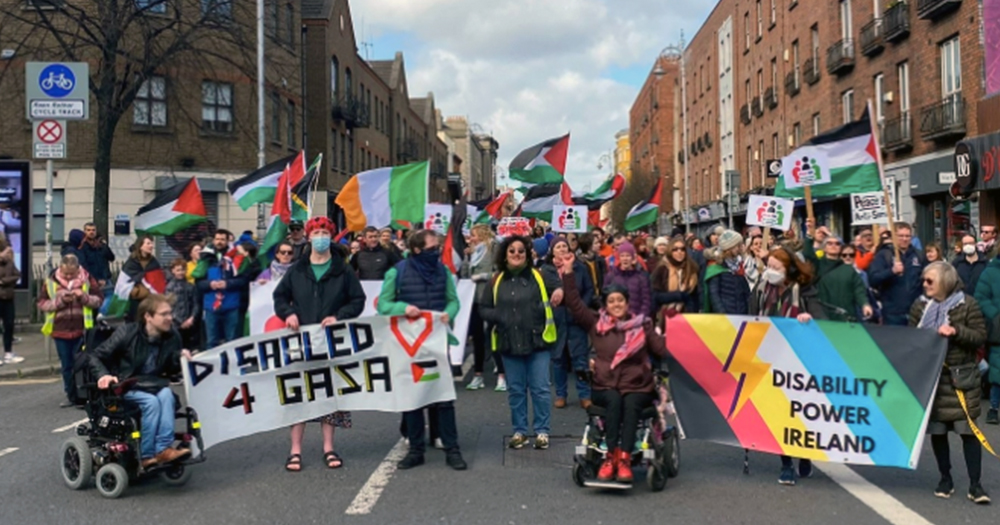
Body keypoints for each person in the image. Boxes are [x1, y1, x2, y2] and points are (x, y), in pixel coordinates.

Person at [559, 251, 666, 483]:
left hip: (637, 385)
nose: (616, 304)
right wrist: (568, 273)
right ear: (606, 306)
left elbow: (662, 349)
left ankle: (624, 459)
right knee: (614, 401)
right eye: (612, 301)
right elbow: (574, 303)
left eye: (620, 300)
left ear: (627, 303)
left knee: (629, 403)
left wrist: (681, 333)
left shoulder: (643, 325)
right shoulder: (596, 324)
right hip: (605, 383)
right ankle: (609, 458)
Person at [273, 216, 366, 471]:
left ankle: (329, 447)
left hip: (330, 341)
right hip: (302, 341)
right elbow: (279, 296)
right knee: (300, 393)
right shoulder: (298, 269)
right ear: (309, 236)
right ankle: (295, 450)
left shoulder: (342, 269)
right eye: (316, 232)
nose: (320, 237)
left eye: (325, 232)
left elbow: (357, 300)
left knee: (329, 394)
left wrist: (339, 317)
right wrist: (288, 314)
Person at [377, 229, 467, 470]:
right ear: (416, 249)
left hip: (437, 342)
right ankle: (416, 449)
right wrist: (403, 308)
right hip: (409, 345)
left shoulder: (443, 271)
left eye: (437, 247)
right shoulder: (398, 272)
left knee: (444, 397)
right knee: (413, 397)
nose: (436, 252)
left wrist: (450, 312)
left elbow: (453, 300)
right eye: (431, 248)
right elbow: (383, 304)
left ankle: (452, 448)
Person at [910, 262, 990, 504]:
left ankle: (976, 484)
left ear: (945, 281)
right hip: (932, 379)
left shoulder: (967, 304)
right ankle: (945, 478)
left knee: (968, 433)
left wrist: (956, 330)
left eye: (930, 281)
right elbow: (911, 338)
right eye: (924, 280)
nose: (924, 285)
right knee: (938, 432)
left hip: (960, 379)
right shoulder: (919, 306)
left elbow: (979, 335)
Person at [478, 235, 563, 451]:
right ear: (505, 256)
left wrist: (560, 289)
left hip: (537, 342)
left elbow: (559, 284)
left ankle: (542, 431)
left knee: (540, 389)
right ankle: (520, 431)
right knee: (516, 390)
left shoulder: (540, 275)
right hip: (509, 344)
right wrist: (500, 316)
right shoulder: (496, 281)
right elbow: (484, 308)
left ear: (527, 255)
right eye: (512, 251)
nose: (517, 254)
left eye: (521, 251)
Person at [89, 295, 193, 468]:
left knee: (167, 395)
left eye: (170, 313)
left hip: (153, 384)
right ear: (148, 317)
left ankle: (163, 450)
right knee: (151, 402)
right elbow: (95, 356)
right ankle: (146, 455)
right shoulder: (127, 333)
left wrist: (180, 357)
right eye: (164, 314)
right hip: (126, 384)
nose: (170, 318)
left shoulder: (172, 335)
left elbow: (171, 368)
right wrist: (103, 375)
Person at [750, 246, 824, 485]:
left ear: (789, 269)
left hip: (799, 361)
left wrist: (808, 317)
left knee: (798, 413)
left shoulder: (804, 290)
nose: (770, 271)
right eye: (768, 266)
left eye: (776, 267)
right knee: (779, 412)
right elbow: (748, 318)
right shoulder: (762, 289)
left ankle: (804, 454)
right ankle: (786, 464)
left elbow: (820, 318)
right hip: (771, 358)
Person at [37, 254, 103, 407]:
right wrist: (60, 301)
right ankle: (71, 396)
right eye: (65, 273)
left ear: (77, 269)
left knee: (81, 364)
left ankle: (84, 395)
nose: (68, 276)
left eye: (71, 274)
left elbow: (98, 299)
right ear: (60, 267)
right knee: (66, 365)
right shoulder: (51, 282)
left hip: (82, 329)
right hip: (60, 330)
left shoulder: (87, 279)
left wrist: (83, 298)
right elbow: (42, 303)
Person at [542, 238, 594, 409]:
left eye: (565, 245)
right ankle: (561, 394)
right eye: (558, 246)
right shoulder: (547, 270)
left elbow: (589, 289)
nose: (563, 248)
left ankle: (585, 395)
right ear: (552, 251)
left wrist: (582, 307)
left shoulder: (580, 267)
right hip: (557, 320)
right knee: (558, 360)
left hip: (576, 319)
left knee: (580, 360)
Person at [804, 220, 872, 322]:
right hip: (823, 316)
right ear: (824, 248)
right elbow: (808, 254)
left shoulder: (849, 269)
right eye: (829, 243)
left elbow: (858, 290)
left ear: (841, 248)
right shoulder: (817, 265)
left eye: (837, 244)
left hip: (845, 316)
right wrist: (809, 234)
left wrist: (865, 304)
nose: (833, 245)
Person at [464, 225, 505, 392]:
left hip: (490, 298)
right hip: (474, 299)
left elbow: (499, 272)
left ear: (481, 235)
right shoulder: (473, 252)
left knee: (494, 336)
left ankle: (502, 375)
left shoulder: (493, 248)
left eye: (473, 235)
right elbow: (466, 274)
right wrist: (466, 261)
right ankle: (478, 375)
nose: (471, 239)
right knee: (477, 337)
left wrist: (483, 277)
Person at [192, 230, 246, 348]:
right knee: (211, 341)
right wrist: (210, 284)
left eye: (222, 239)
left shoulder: (236, 258)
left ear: (227, 241)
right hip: (211, 307)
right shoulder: (206, 258)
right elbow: (198, 283)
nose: (219, 242)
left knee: (232, 341)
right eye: (217, 239)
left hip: (231, 306)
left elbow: (243, 280)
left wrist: (227, 284)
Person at [869, 223, 926, 326]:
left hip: (915, 312)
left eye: (907, 236)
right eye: (901, 236)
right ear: (894, 236)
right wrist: (891, 271)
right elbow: (873, 279)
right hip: (892, 313)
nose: (904, 239)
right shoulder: (884, 254)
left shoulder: (919, 255)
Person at [973, 256, 1000, 426]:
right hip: (998, 327)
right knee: (997, 370)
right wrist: (996, 316)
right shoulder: (990, 273)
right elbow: (981, 297)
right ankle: (994, 408)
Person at [651, 235, 700, 321]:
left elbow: (695, 296)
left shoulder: (692, 269)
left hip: (688, 317)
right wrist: (678, 295)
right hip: (666, 316)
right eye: (675, 249)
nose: (679, 252)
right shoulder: (662, 269)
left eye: (682, 249)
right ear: (670, 251)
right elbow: (655, 296)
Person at [704, 230, 751, 315]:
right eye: (738, 245)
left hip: (741, 315)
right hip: (725, 317)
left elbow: (746, 293)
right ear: (729, 247)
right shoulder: (716, 267)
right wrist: (722, 314)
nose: (740, 248)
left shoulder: (739, 266)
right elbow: (714, 295)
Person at [604, 243, 651, 317]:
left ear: (632, 258)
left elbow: (646, 301)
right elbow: (605, 298)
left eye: (628, 255)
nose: (625, 258)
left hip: (636, 319)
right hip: (616, 319)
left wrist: (641, 317)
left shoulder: (641, 277)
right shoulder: (611, 276)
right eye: (622, 256)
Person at [122, 235, 161, 322]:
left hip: (150, 299)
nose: (151, 246)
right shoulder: (132, 262)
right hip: (135, 300)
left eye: (151, 243)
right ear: (140, 246)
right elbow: (125, 280)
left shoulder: (153, 262)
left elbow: (158, 279)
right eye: (148, 243)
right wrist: (141, 277)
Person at [166, 258, 200, 351]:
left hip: (190, 323)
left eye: (183, 270)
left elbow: (196, 304)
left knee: (190, 348)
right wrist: (179, 322)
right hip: (175, 324)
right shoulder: (169, 287)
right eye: (178, 270)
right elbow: (168, 306)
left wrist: (191, 318)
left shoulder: (191, 286)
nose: (181, 272)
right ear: (173, 271)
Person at [0, 236, 21, 365]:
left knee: (9, 325)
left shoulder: (9, 263)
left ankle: (8, 353)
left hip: (8, 297)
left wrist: (3, 281)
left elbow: (17, 275)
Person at [578, 233, 608, 309]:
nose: (599, 245)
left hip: (601, 299)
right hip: (586, 302)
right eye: (596, 243)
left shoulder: (600, 261)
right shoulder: (579, 263)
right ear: (588, 246)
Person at [80, 222, 115, 287]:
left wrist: (105, 247)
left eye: (93, 230)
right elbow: (84, 265)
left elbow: (112, 258)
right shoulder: (83, 247)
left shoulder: (102, 245)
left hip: (106, 279)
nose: (91, 232)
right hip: (90, 280)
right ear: (84, 231)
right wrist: (95, 279)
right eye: (88, 230)